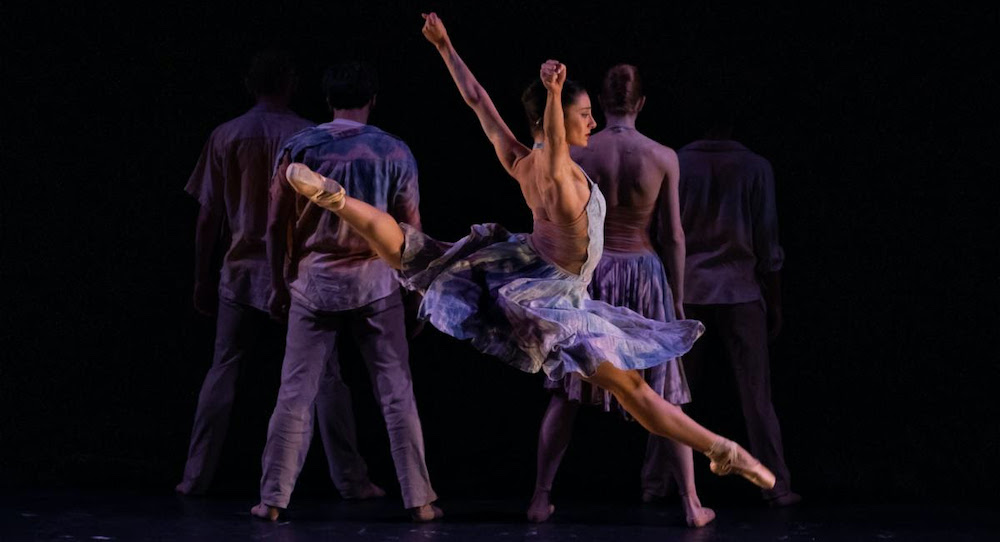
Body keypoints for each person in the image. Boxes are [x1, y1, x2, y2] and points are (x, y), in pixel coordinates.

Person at [282, 13, 776, 509]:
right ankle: (721, 449)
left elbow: (478, 101)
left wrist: (445, 46)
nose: (593, 122)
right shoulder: (560, 173)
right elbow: (557, 143)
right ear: (557, 119)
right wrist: (556, 91)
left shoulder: (521, 161)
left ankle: (339, 200)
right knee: (633, 390)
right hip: (552, 295)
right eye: (585, 114)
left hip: (521, 267)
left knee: (414, 251)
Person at [251, 60, 441, 523]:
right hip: (376, 282)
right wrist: (419, 293)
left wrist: (279, 280)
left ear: (328, 99)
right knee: (396, 392)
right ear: (372, 99)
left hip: (313, 283)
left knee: (295, 393)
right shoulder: (394, 152)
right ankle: (419, 500)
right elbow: (410, 230)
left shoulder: (300, 147)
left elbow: (275, 226)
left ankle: (273, 500)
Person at [525, 64, 714, 527]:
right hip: (646, 274)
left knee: (569, 391)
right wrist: (679, 297)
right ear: (641, 103)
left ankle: (539, 498)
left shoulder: (579, 152)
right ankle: (691, 504)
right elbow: (672, 234)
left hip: (592, 271)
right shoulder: (662, 155)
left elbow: (550, 214)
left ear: (601, 107)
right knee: (663, 392)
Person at [177, 50, 324, 496]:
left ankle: (195, 476)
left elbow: (208, 217)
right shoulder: (308, 135)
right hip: (296, 272)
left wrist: (202, 276)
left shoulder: (227, 134)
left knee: (224, 367)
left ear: (249, 84)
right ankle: (346, 478)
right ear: (291, 82)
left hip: (240, 268)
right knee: (321, 374)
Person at [677, 92, 801, 507]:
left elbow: (668, 235)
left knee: (674, 397)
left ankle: (658, 483)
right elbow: (768, 243)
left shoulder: (679, 162)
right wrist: (776, 301)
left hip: (689, 289)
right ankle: (775, 484)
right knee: (756, 396)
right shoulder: (755, 167)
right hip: (740, 290)